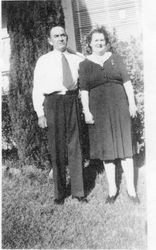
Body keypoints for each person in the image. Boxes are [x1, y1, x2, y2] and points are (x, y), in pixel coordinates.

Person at [79, 26, 140, 204]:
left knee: (126, 150)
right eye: (95, 40)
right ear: (90, 43)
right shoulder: (84, 65)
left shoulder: (116, 59)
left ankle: (132, 190)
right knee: (107, 151)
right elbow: (83, 91)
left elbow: (127, 83)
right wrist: (87, 111)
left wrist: (132, 104)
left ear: (106, 42)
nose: (99, 42)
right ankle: (112, 190)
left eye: (102, 40)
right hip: (99, 111)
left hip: (120, 107)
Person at [32, 25, 88, 205]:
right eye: (56, 36)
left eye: (63, 35)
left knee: (75, 145)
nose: (60, 38)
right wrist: (40, 113)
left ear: (67, 37)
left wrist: (72, 52)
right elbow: (37, 88)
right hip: (53, 103)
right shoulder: (44, 60)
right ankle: (59, 193)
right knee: (56, 149)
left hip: (72, 101)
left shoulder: (76, 58)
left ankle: (79, 192)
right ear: (50, 40)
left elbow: (88, 64)